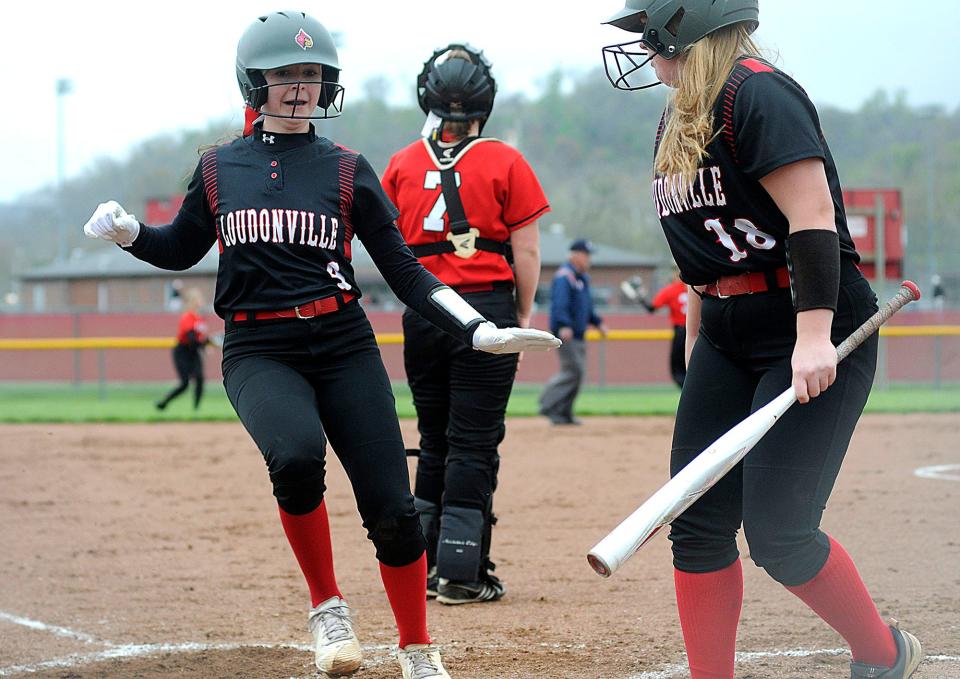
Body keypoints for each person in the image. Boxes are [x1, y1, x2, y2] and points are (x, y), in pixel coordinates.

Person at [82, 11, 558, 679]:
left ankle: (417, 648)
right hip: (258, 348)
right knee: (297, 456)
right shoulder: (219, 166)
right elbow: (181, 246)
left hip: (342, 341)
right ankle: (328, 607)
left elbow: (405, 271)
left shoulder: (346, 169)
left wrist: (476, 326)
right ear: (256, 82)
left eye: (311, 74)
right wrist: (131, 232)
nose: (300, 86)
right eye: (284, 74)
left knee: (392, 508)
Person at [601, 1, 922, 678]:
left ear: (680, 26)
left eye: (644, 30)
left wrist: (812, 337)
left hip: (810, 327)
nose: (640, 45)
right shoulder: (679, 114)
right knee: (696, 524)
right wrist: (696, 342)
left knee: (779, 533)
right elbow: (704, 256)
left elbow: (812, 214)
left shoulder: (758, 93)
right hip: (724, 333)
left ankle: (884, 653)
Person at [382, 44, 549, 606]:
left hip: (425, 311)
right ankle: (462, 572)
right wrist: (521, 312)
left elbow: (386, 246)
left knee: (433, 441)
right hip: (486, 307)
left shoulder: (403, 163)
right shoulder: (505, 160)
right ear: (486, 102)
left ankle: (423, 567)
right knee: (474, 444)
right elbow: (525, 252)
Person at [538, 239, 606, 425]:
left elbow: (586, 307)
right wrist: (563, 325)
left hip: (578, 333)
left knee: (578, 374)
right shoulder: (564, 276)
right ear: (575, 255)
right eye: (586, 255)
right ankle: (547, 403)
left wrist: (597, 323)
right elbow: (559, 304)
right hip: (566, 333)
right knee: (573, 371)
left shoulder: (581, 278)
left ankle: (563, 413)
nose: (589, 260)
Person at [626, 270, 688, 387]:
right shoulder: (696, 287)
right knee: (693, 368)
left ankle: (689, 397)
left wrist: (640, 298)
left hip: (680, 332)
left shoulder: (672, 289)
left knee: (678, 371)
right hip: (699, 331)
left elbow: (652, 308)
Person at [155, 287, 208, 411]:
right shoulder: (187, 317)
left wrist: (205, 343)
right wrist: (202, 344)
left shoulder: (199, 318)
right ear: (193, 301)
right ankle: (163, 403)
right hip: (182, 351)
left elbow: (199, 338)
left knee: (199, 378)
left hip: (194, 351)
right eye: (199, 298)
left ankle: (196, 409)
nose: (201, 301)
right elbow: (191, 336)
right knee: (185, 383)